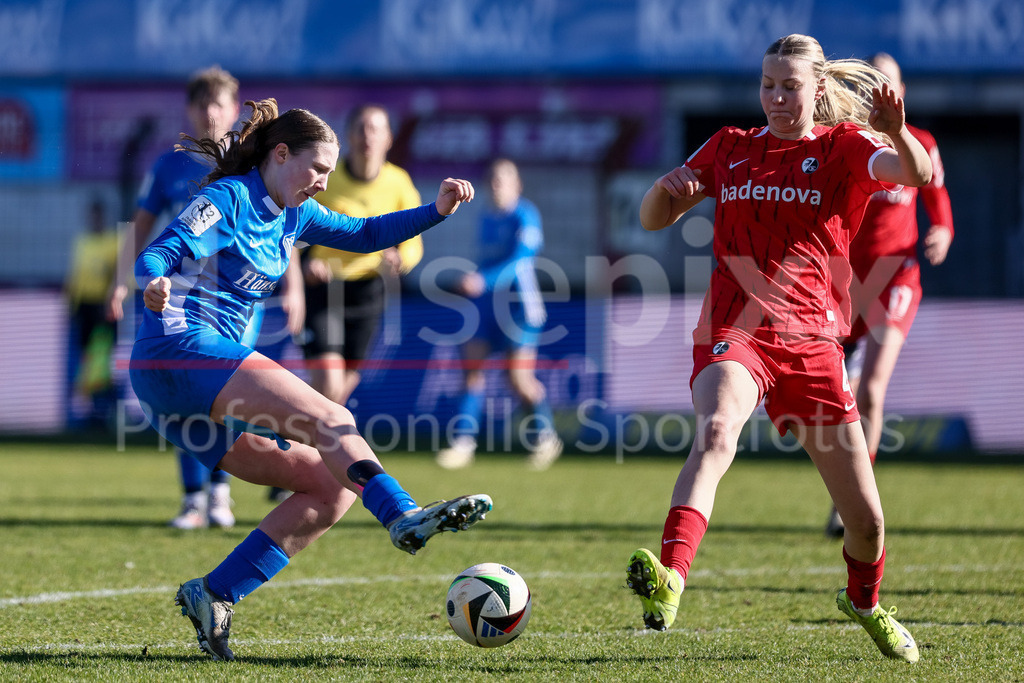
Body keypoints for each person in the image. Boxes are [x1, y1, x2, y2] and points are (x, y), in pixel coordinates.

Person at [129, 98, 489, 661]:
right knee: (333, 418)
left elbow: (367, 233)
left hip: (181, 392)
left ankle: (214, 593)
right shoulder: (228, 198)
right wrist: (154, 284)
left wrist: (435, 211)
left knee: (330, 488)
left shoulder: (294, 214)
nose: (323, 184)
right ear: (279, 154)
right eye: (318, 169)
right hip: (177, 350)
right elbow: (161, 252)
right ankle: (402, 516)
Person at [625, 34, 932, 663]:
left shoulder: (845, 148)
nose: (774, 97)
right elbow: (653, 218)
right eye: (768, 84)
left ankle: (865, 602)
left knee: (868, 525)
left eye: (788, 86)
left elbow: (916, 174)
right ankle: (671, 578)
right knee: (715, 433)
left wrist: (897, 133)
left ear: (818, 91)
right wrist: (667, 188)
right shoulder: (731, 148)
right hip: (733, 329)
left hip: (813, 346)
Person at [108, 66, 300, 530]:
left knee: (228, 390)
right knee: (182, 392)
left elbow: (282, 223)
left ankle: (220, 492)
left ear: (235, 109)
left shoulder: (253, 162)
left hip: (234, 298)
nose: (210, 112)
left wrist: (294, 289)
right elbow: (141, 225)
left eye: (218, 103)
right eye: (201, 104)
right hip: (176, 294)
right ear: (189, 110)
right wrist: (120, 278)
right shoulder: (169, 166)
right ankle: (196, 497)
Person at [824, 52, 954, 538]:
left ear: (901, 92)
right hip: (841, 285)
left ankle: (853, 507)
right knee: (834, 402)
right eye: (869, 83)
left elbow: (937, 198)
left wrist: (942, 231)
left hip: (895, 278)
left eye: (887, 83)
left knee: (871, 390)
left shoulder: (920, 145)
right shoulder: (848, 146)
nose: (877, 91)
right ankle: (848, 492)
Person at [265, 104, 422, 503]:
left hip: (368, 293)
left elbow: (414, 240)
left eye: (377, 128)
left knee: (336, 395)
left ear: (388, 138)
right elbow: (293, 224)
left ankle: (287, 448)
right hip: (326, 290)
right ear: (349, 136)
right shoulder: (325, 177)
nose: (369, 136)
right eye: (362, 128)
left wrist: (402, 258)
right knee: (330, 385)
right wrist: (302, 270)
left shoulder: (398, 182)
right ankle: (305, 472)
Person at [434, 158, 563, 471]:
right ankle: (463, 443)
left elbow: (521, 260)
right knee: (471, 370)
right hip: (487, 306)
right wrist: (472, 279)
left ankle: (546, 437)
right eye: (492, 178)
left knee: (518, 379)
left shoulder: (525, 214)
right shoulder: (486, 217)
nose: (497, 184)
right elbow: (487, 260)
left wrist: (482, 279)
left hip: (519, 307)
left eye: (503, 179)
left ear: (517, 185)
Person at [65, 197, 120, 426]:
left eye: (97, 215)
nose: (94, 219)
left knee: (100, 360)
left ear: (102, 217)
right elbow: (75, 275)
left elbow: (118, 275)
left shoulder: (113, 242)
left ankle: (103, 411)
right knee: (87, 361)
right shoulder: (82, 242)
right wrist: (70, 303)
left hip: (103, 308)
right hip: (84, 308)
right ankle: (90, 412)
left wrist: (111, 300)